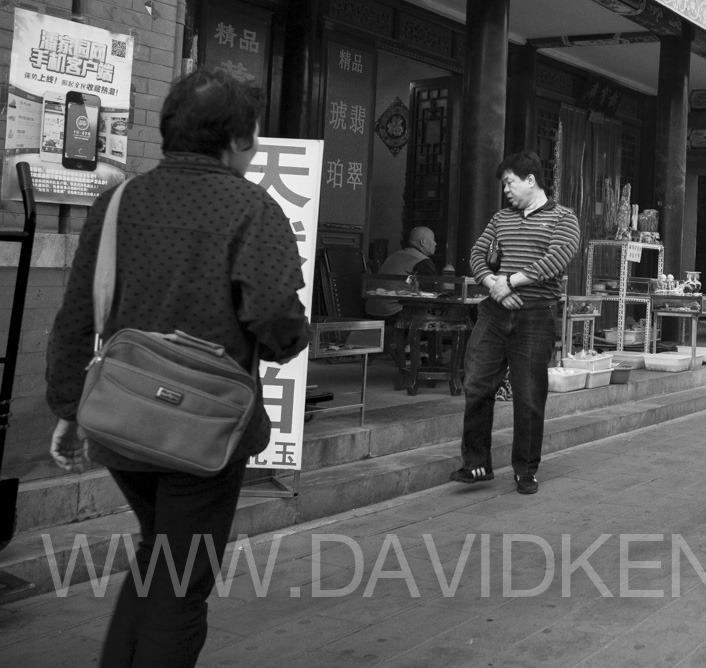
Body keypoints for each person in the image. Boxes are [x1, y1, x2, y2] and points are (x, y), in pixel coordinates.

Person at [45, 70, 311, 668]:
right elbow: (275, 320)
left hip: (121, 422)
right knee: (181, 585)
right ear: (240, 140)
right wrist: (292, 339)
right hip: (203, 435)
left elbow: (75, 312)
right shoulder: (253, 208)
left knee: (158, 556)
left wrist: (69, 407)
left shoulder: (117, 201)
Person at [450, 150, 580, 494]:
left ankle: (525, 469)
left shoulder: (564, 218)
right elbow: (478, 255)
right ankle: (475, 464)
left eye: (509, 182)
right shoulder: (500, 219)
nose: (505, 190)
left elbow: (556, 259)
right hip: (494, 314)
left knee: (528, 396)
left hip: (535, 317)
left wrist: (513, 280)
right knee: (477, 384)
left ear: (531, 180)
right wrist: (495, 285)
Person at [365, 226, 439, 324]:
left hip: (370, 311)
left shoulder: (394, 256)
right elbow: (430, 294)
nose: (435, 243)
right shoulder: (422, 261)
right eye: (433, 240)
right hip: (393, 313)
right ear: (423, 242)